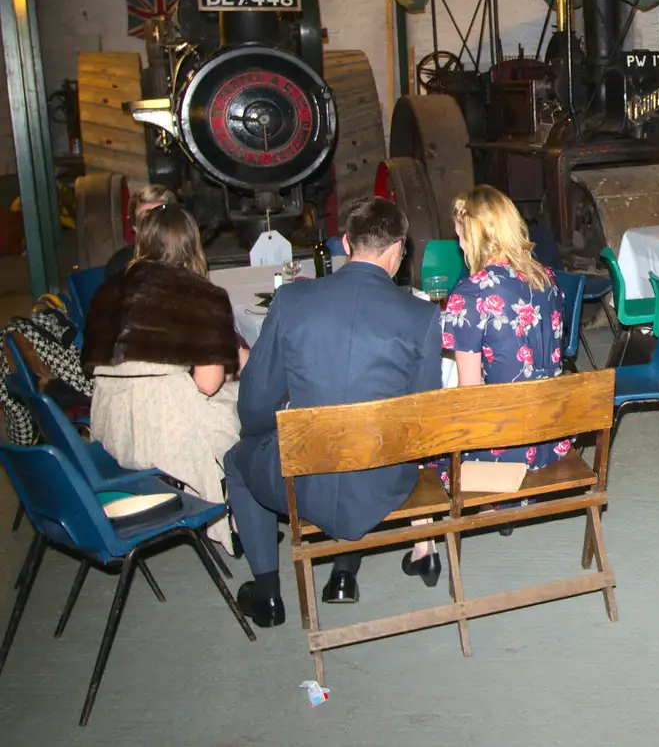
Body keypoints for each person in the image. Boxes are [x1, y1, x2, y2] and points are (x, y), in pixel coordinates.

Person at [223, 197, 443, 628]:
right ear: (399, 250)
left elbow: (256, 404)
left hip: (303, 481)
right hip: (381, 482)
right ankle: (343, 573)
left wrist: (264, 434)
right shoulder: (422, 315)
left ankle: (267, 593)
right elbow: (422, 423)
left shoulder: (290, 301)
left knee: (239, 458)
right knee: (356, 448)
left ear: (346, 243)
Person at [402, 186, 569, 587]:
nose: (459, 243)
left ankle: (424, 548)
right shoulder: (546, 277)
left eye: (461, 234)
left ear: (475, 236)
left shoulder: (471, 295)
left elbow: (470, 397)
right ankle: (499, 509)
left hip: (504, 453)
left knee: (414, 434)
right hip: (551, 439)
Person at [83, 204, 242, 544]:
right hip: (165, 432)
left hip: (111, 428)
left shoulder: (106, 292)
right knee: (251, 405)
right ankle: (243, 513)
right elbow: (209, 384)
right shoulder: (202, 294)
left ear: (142, 242)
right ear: (192, 244)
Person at [104, 184, 177, 276]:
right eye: (144, 219)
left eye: (159, 217)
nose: (152, 226)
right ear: (135, 227)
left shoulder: (188, 258)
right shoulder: (120, 266)